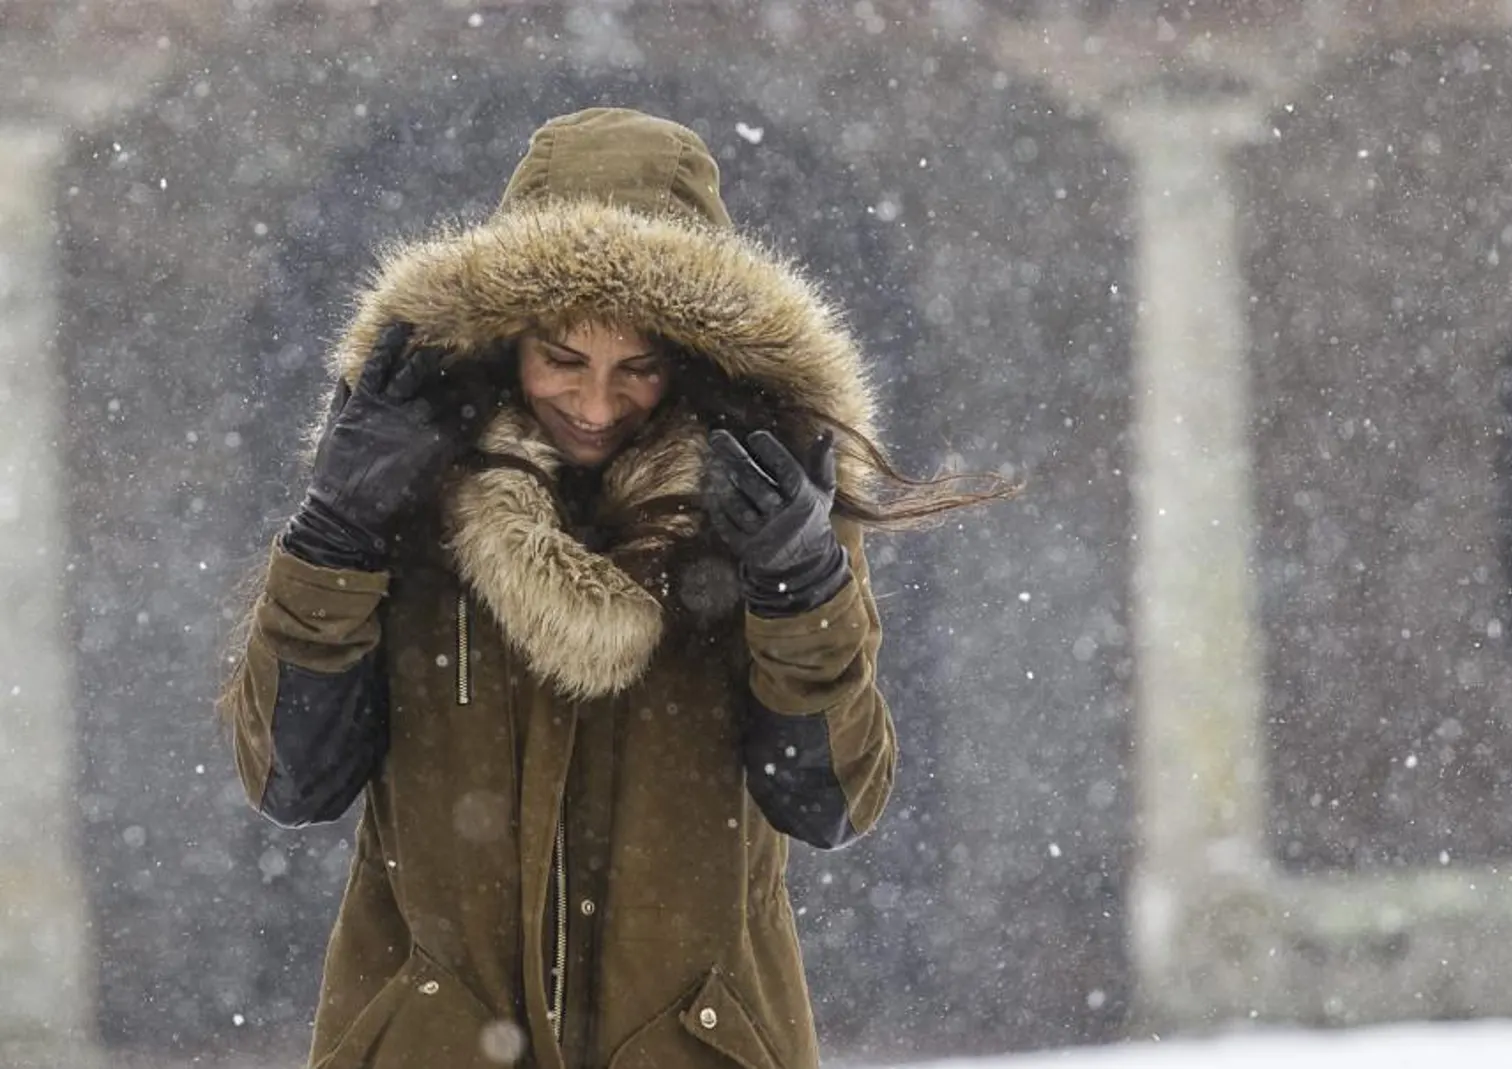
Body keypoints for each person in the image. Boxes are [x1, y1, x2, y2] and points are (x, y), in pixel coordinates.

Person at [219, 107, 1008, 1069]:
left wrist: (801, 582)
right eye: (563, 358)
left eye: (639, 367)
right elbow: (292, 778)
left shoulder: (766, 511)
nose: (596, 404)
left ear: (694, 363)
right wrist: (334, 531)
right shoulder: (403, 498)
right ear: (506, 339)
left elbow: (831, 800)